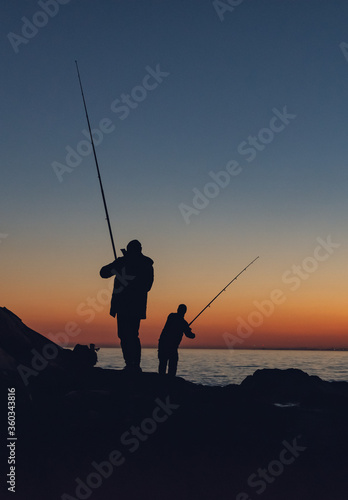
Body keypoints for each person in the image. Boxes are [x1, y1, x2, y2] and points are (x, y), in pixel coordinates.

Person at [100, 240, 154, 372]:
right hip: (126, 305)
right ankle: (131, 363)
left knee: (130, 335)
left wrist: (124, 273)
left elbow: (147, 286)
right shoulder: (123, 262)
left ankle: (134, 364)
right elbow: (103, 273)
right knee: (125, 335)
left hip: (130, 305)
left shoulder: (143, 265)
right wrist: (117, 265)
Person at [158, 304, 195, 377]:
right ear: (185, 312)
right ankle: (170, 381)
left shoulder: (171, 316)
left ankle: (161, 380)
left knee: (163, 363)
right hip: (172, 346)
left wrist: (187, 328)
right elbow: (190, 335)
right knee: (172, 364)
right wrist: (192, 332)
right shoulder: (183, 323)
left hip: (163, 343)